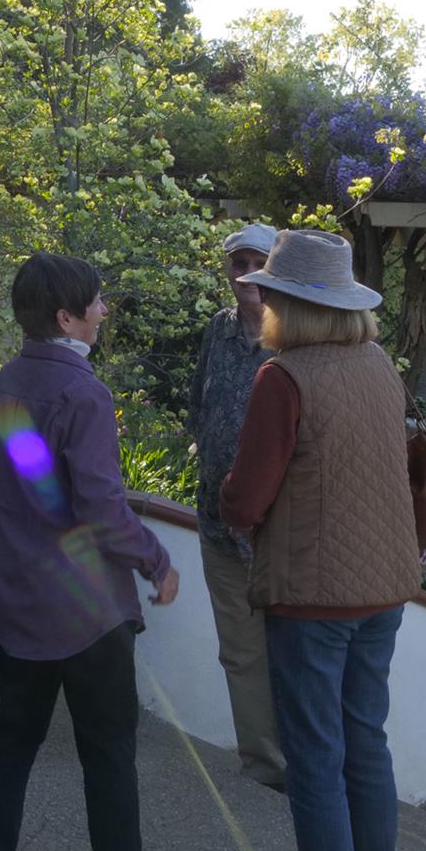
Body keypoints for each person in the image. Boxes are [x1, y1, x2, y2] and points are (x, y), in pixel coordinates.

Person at [221, 229, 423, 851]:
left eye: (270, 292)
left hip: (311, 597)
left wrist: (227, 499)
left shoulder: (284, 378)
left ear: (289, 304)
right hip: (382, 588)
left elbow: (246, 499)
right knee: (364, 748)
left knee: (315, 760)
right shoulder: (378, 364)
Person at [0, 253, 179, 851]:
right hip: (86, 615)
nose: (103, 311)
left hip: (16, 605)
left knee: (9, 744)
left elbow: (38, 493)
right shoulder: (82, 395)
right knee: (108, 756)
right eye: (95, 302)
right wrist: (156, 561)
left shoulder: (3, 385)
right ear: (66, 317)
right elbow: (98, 509)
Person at [188, 222, 287, 789]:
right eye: (238, 263)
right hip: (220, 527)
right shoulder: (217, 331)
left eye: (258, 263)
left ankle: (306, 760)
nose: (247, 274)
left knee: (293, 650)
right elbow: (198, 404)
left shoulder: (294, 339)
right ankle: (266, 768)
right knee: (241, 653)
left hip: (280, 530)